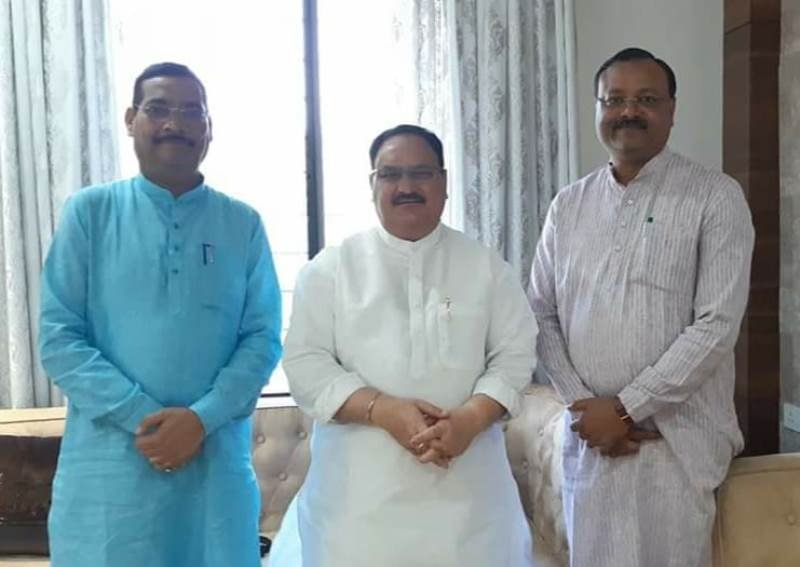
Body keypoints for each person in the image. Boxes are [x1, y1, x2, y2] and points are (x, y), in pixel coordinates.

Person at [39, 62, 282, 567]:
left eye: (191, 112)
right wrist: (143, 420)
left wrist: (200, 420)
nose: (176, 123)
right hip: (110, 479)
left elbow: (262, 339)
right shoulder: (90, 213)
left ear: (208, 128)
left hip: (214, 474)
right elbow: (59, 338)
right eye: (159, 109)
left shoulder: (242, 224)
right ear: (131, 119)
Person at [268, 124, 537, 566]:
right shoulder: (331, 269)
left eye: (421, 173)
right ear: (372, 185)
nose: (406, 186)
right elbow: (305, 363)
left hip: (469, 505)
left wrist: (470, 418)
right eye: (391, 174)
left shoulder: (487, 268)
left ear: (444, 183)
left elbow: (515, 355)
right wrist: (382, 410)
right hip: (357, 508)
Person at [528, 47, 755, 567]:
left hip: (674, 444)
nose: (628, 111)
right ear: (597, 109)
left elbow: (716, 324)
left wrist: (627, 407)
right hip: (591, 443)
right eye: (614, 100)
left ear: (672, 110)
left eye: (646, 99)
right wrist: (585, 407)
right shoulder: (568, 205)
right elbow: (541, 312)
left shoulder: (715, 197)